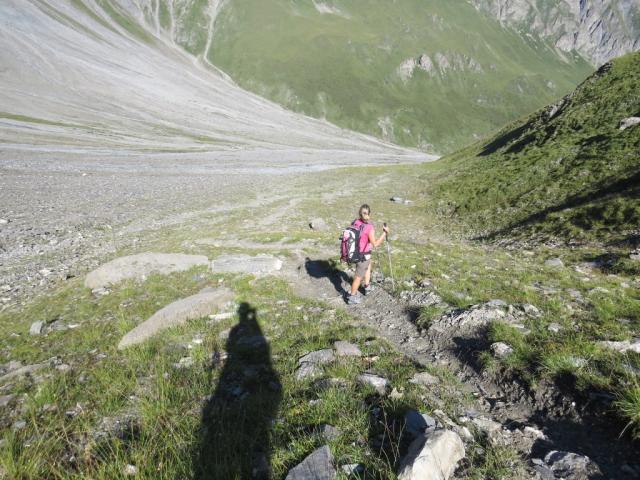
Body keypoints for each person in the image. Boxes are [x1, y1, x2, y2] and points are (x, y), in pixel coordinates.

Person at [346, 204, 389, 304]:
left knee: (368, 266)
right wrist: (384, 233)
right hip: (362, 256)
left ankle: (367, 286)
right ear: (369, 214)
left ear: (359, 213)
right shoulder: (369, 227)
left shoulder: (355, 222)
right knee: (358, 277)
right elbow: (375, 244)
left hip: (355, 252)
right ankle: (352, 297)